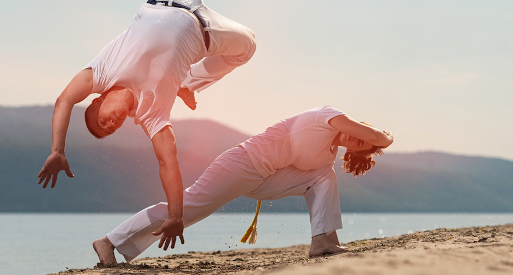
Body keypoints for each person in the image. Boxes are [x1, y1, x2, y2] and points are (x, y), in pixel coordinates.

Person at [37, 0, 256, 245]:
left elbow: (64, 100)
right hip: (205, 31)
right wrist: (176, 216)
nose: (111, 124)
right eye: (111, 130)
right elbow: (167, 162)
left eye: (102, 121)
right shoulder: (151, 113)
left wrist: (58, 150)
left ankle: (183, 84)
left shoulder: (102, 72)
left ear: (98, 99)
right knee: (248, 45)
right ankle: (187, 84)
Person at [92, 105, 394, 265]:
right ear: (358, 126)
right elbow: (382, 139)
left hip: (265, 180)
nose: (359, 140)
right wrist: (385, 138)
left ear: (354, 153)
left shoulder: (326, 158)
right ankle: (109, 241)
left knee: (324, 178)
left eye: (362, 145)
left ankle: (323, 243)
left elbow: (319, 192)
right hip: (242, 163)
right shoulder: (329, 116)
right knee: (188, 208)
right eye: (362, 134)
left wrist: (331, 234)